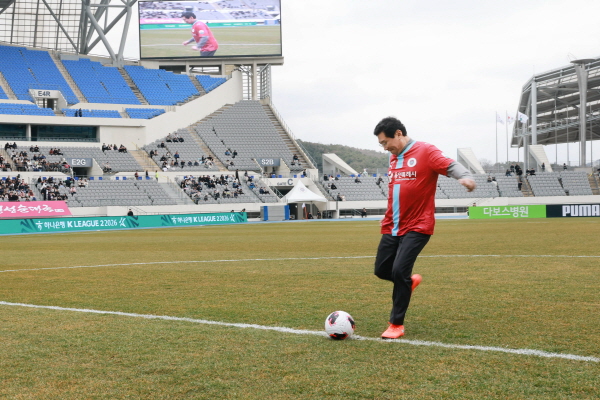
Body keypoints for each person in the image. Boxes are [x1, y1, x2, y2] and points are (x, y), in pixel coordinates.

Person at [373, 116, 475, 339]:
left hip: (418, 225)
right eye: (381, 144)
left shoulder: (425, 151)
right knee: (381, 270)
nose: (385, 148)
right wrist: (388, 215)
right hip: (392, 225)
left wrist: (465, 177)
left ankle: (396, 324)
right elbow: (397, 191)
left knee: (399, 271)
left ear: (398, 134)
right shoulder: (393, 158)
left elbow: (450, 165)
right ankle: (408, 282)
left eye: (385, 142)